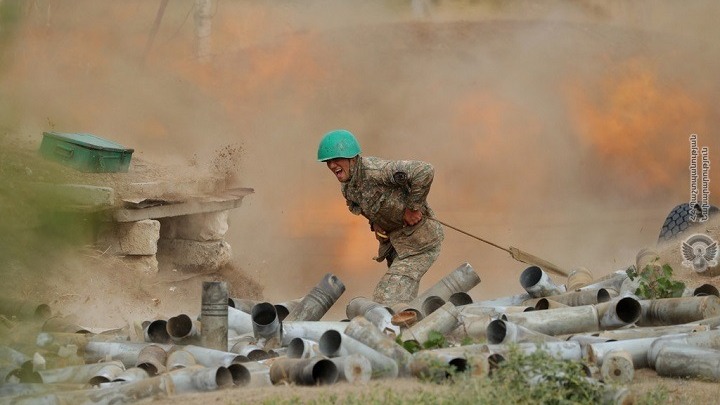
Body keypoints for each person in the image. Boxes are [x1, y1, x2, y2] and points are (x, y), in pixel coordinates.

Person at [317, 129, 444, 306]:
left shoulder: (377, 171)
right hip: (397, 247)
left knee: (387, 299)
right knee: (402, 302)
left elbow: (424, 171)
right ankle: (414, 329)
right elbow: (367, 207)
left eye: (336, 159)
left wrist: (413, 208)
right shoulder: (348, 188)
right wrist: (376, 224)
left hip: (419, 243)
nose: (332, 166)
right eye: (328, 162)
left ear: (352, 158)